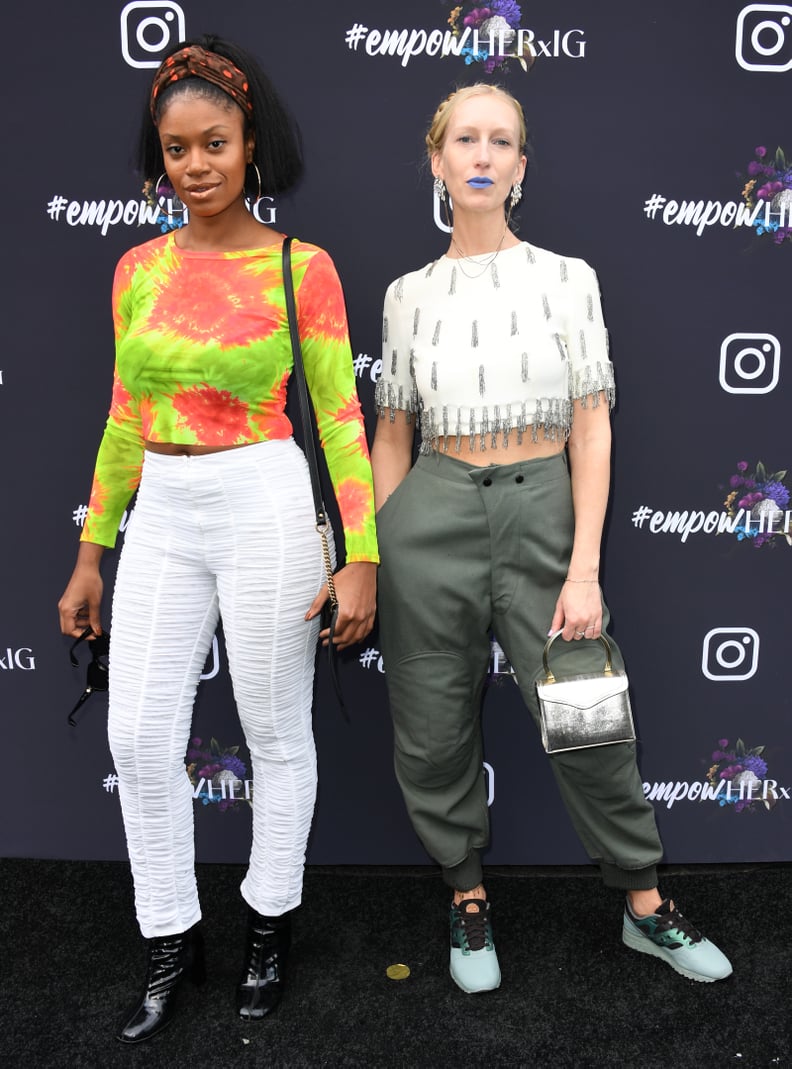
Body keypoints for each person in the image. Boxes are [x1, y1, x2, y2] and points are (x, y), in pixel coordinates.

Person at [370, 84, 731, 995]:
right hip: (432, 512)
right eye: (465, 138)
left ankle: (645, 906)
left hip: (545, 511)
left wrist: (584, 566)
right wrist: (390, 542)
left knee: (591, 722)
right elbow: (392, 434)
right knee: (431, 729)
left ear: (522, 167)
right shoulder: (405, 296)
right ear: (438, 160)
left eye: (502, 140)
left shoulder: (570, 279)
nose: (482, 153)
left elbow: (593, 429)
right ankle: (466, 897)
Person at [57, 35, 378, 1043]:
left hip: (266, 500)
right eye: (176, 148)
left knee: (277, 732)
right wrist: (90, 551)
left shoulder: (301, 268)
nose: (194, 165)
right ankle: (170, 934)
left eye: (214, 144)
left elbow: (338, 419)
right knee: (134, 734)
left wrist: (359, 553)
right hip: (162, 500)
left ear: (251, 145)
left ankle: (269, 923)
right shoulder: (137, 270)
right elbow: (120, 414)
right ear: (158, 156)